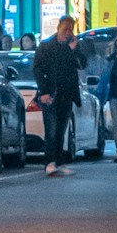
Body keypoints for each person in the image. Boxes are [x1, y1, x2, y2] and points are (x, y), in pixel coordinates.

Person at [32, 16, 82, 175]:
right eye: (65, 28)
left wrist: (75, 50)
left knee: (61, 130)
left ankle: (59, 162)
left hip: (66, 94)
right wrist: (44, 91)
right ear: (59, 27)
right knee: (51, 130)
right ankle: (49, 162)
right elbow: (38, 70)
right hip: (51, 94)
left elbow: (82, 64)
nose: (68, 32)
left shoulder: (71, 46)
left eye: (70, 29)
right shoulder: (46, 46)